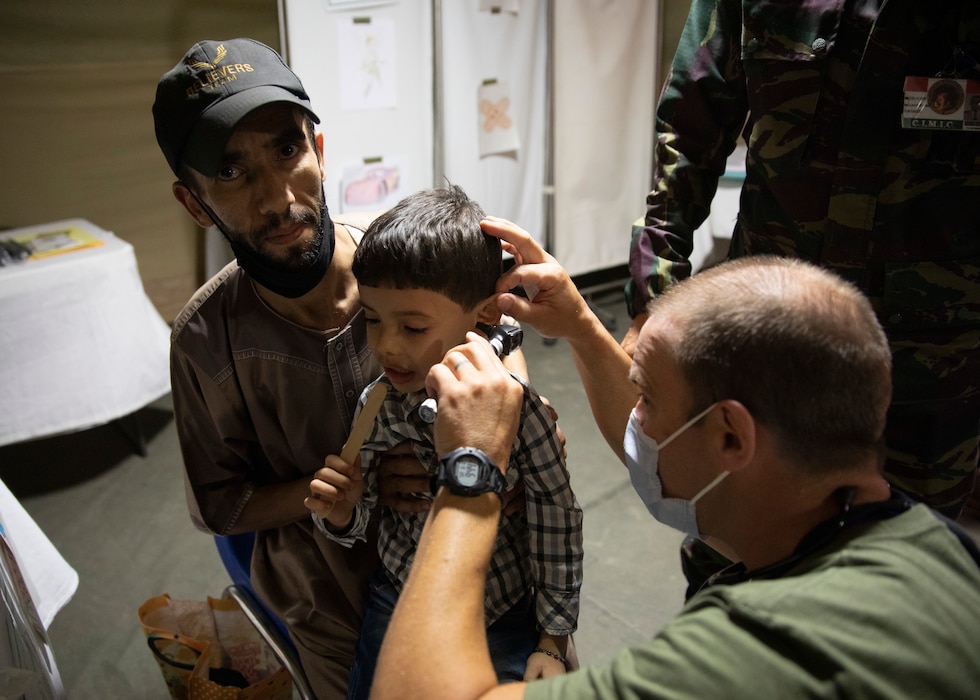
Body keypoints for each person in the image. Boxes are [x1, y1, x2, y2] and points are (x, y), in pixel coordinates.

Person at [371, 218, 980, 699]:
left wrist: (470, 469)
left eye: (648, 399)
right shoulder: (935, 549)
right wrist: (582, 326)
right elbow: (659, 453)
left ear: (732, 439)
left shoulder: (739, 659)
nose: (633, 420)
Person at [151, 38, 530, 697]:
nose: (278, 198)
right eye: (234, 173)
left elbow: (501, 335)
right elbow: (222, 504)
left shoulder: (409, 260)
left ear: (319, 153)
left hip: (466, 547)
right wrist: (343, 487)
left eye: (287, 151)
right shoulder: (205, 342)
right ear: (194, 202)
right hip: (329, 600)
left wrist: (488, 430)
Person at [624, 0, 980, 519]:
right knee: (736, 538)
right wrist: (654, 294)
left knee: (906, 555)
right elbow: (689, 126)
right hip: (765, 337)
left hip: (931, 362)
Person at [305, 186, 583, 698]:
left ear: (482, 315)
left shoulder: (521, 410)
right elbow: (361, 512)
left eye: (412, 326)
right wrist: (343, 511)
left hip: (503, 608)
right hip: (399, 595)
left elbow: (556, 515)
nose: (386, 345)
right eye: (371, 319)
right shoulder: (379, 404)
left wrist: (552, 636)